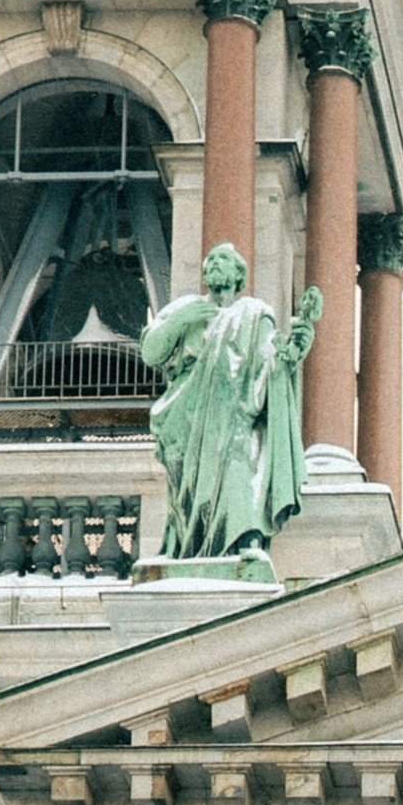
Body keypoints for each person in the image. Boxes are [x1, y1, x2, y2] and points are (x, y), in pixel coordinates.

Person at [140, 241, 319, 569]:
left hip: (234, 418)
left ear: (239, 275)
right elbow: (151, 352)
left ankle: (246, 539)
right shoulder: (187, 308)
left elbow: (270, 362)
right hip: (186, 418)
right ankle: (178, 544)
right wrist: (181, 320)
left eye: (223, 259)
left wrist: (294, 351)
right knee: (184, 487)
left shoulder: (254, 313)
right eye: (210, 260)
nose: (213, 264)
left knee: (240, 468)